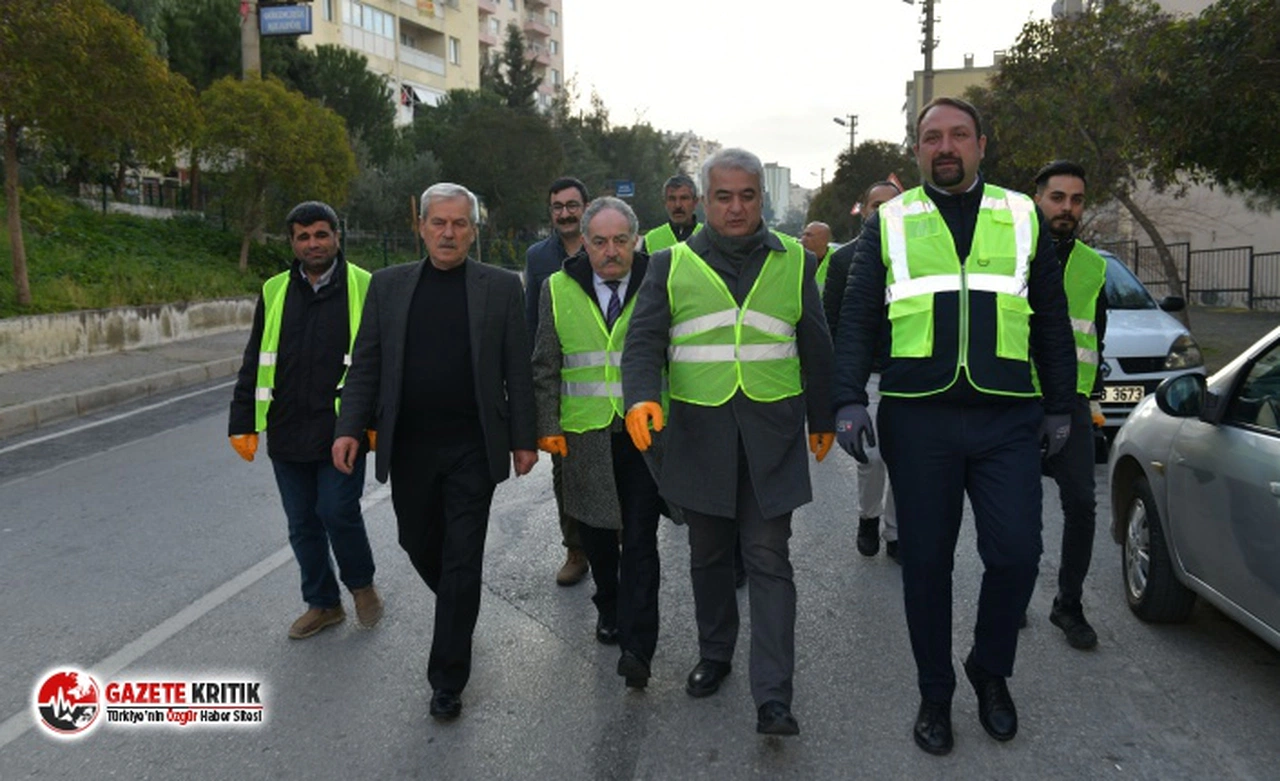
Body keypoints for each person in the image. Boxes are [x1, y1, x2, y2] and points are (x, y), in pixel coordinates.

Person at [832, 97, 1077, 755]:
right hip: (919, 416)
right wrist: (849, 398)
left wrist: (1060, 405)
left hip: (1006, 415)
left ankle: (989, 669)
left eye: (958, 135)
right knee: (927, 565)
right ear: (917, 151)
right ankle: (935, 693)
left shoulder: (1021, 214)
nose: (945, 146)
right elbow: (858, 319)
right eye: (931, 136)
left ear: (981, 144)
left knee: (1017, 553)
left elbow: (1050, 318)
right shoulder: (891, 220)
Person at [623, 148, 836, 736]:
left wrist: (823, 416)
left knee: (769, 559)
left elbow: (816, 346)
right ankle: (715, 654)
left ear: (760, 200)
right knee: (709, 558)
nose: (736, 207)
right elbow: (643, 343)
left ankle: (773, 696)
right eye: (724, 196)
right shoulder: (668, 264)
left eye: (747, 196)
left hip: (772, 437)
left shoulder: (795, 261)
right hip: (698, 434)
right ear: (703, 200)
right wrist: (641, 397)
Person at [332, 182, 538, 721]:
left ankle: (447, 678)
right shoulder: (388, 286)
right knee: (418, 542)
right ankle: (459, 605)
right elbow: (367, 366)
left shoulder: (499, 287)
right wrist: (348, 427)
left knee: (463, 557)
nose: (449, 233)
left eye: (460, 224)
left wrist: (523, 439)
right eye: (439, 223)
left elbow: (518, 367)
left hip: (474, 446)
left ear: (474, 230)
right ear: (421, 226)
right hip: (411, 449)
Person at [228, 200, 382, 640]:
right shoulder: (274, 290)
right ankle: (323, 603)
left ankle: (361, 584)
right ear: (292, 242)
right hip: (287, 428)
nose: (313, 243)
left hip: (342, 431)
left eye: (321, 234)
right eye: (303, 236)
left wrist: (374, 422)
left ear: (337, 235)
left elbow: (379, 363)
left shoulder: (365, 286)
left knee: (337, 511)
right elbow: (256, 358)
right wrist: (242, 421)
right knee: (301, 523)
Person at [532, 196, 665, 689]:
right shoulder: (556, 288)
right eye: (600, 241)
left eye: (621, 241)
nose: (611, 252)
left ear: (636, 240)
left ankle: (638, 646)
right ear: (584, 243)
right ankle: (608, 604)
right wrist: (547, 424)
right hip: (584, 434)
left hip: (645, 433)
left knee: (641, 540)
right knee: (596, 536)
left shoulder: (659, 280)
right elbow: (545, 362)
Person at [1032, 159, 1108, 651]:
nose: (1067, 208)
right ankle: (1012, 593)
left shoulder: (1095, 266)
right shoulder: (1012, 256)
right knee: (1016, 508)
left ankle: (1069, 603)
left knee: (1081, 503)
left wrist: (1093, 400)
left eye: (1076, 200)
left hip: (1073, 403)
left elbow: (1095, 336)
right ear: (1038, 199)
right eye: (1058, 198)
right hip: (1017, 399)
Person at [822, 181, 903, 562]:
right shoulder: (843, 261)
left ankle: (896, 533)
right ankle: (868, 518)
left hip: (908, 375)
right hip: (866, 375)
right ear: (865, 210)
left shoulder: (917, 257)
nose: (883, 212)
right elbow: (832, 324)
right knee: (870, 457)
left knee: (904, 458)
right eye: (876, 205)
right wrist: (841, 387)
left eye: (892, 205)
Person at [525, 177, 593, 587]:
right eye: (557, 207)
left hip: (606, 382)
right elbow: (530, 322)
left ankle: (614, 541)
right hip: (558, 385)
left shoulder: (607, 245)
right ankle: (576, 549)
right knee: (564, 470)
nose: (564, 213)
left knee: (614, 466)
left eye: (572, 205)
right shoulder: (537, 257)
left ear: (586, 207)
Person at [640, 174, 703, 253]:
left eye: (684, 198)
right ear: (665, 203)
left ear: (695, 202)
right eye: (672, 199)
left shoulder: (708, 238)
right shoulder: (651, 240)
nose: (678, 205)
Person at [798, 221, 833, 293]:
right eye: (803, 234)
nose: (803, 239)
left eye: (809, 235)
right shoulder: (796, 257)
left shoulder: (836, 262)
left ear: (823, 240)